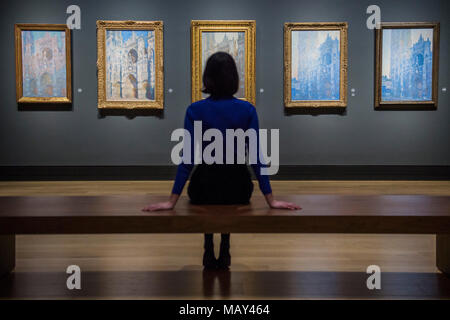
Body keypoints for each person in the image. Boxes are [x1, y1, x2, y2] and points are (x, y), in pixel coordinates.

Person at [142, 52, 301, 270]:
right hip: (238, 188)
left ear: (208, 78)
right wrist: (271, 199)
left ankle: (208, 245)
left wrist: (171, 201)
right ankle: (225, 245)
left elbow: (187, 159)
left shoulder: (195, 110)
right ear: (233, 78)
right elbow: (256, 157)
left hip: (203, 188)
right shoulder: (247, 110)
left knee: (209, 193)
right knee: (228, 194)